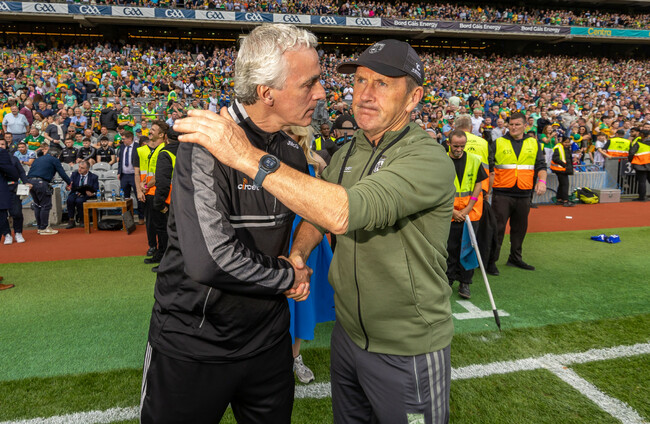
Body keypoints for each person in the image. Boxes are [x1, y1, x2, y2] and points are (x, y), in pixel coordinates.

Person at [175, 38, 456, 424]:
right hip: (348, 336)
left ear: (413, 98)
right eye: (360, 81)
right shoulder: (351, 150)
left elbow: (340, 212)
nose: (365, 94)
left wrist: (244, 154)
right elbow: (317, 216)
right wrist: (299, 254)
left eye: (382, 83)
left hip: (407, 345)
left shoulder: (426, 158)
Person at [140, 24, 317, 424]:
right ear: (266, 92)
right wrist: (288, 276)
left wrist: (298, 253)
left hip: (269, 342)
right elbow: (210, 261)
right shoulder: (203, 145)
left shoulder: (291, 151)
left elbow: (315, 211)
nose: (321, 93)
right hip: (194, 344)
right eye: (309, 83)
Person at [284, 125, 333, 384]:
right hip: (276, 237)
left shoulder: (312, 162)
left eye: (291, 132)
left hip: (306, 237)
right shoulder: (263, 158)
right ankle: (275, 357)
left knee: (302, 299)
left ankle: (295, 357)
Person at [487, 112, 547, 274]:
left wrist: (542, 181)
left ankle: (515, 258)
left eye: (517, 124)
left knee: (520, 229)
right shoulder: (498, 142)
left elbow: (541, 166)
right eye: (511, 124)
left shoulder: (534, 143)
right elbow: (489, 166)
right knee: (497, 229)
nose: (513, 127)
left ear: (525, 126)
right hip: (502, 193)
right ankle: (490, 261)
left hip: (524, 193)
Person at [446, 130, 488, 299]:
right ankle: (448, 280)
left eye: (462, 146)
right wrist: (453, 211)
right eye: (456, 146)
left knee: (468, 248)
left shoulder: (474, 159)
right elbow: (435, 189)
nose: (459, 149)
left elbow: (478, 184)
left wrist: (468, 207)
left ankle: (465, 282)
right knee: (449, 249)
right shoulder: (441, 161)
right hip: (449, 213)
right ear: (449, 143)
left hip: (470, 214)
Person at [148, 128, 179, 269]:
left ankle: (167, 264)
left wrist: (159, 203)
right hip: (187, 199)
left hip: (170, 200)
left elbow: (163, 182)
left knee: (167, 232)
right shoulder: (189, 151)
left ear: (166, 137)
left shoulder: (165, 153)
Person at [26, 149, 71, 235]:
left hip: (30, 182)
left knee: (37, 205)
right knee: (45, 205)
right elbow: (62, 173)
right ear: (56, 155)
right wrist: (69, 183)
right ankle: (44, 227)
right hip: (41, 182)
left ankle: (40, 227)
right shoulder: (54, 160)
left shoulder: (38, 159)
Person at [142, 120, 168, 265]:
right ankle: (160, 254)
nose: (150, 131)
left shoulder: (162, 150)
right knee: (157, 227)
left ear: (161, 134)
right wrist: (144, 184)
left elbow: (159, 176)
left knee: (161, 228)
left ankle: (163, 257)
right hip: (151, 193)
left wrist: (145, 185)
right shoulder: (156, 150)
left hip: (157, 194)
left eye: (153, 129)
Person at [117, 131, 144, 224]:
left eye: (124, 139)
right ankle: (128, 219)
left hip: (135, 175)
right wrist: (119, 172)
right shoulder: (122, 147)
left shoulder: (137, 147)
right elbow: (120, 161)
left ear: (130, 138)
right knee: (125, 198)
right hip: (124, 175)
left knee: (139, 197)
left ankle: (141, 217)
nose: (122, 140)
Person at [65, 160, 99, 228]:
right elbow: (69, 185)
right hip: (75, 193)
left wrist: (92, 193)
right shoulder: (74, 174)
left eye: (82, 168)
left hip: (86, 194)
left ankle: (82, 219)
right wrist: (68, 187)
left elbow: (96, 189)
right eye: (79, 167)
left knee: (79, 201)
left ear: (87, 169)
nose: (79, 169)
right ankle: (71, 219)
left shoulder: (94, 177)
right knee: (70, 200)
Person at [0, 137, 21, 245]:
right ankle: (7, 234)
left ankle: (17, 232)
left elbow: (18, 173)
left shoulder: (11, 158)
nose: (1, 146)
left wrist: (26, 182)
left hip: (10, 188)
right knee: (2, 215)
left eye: (2, 144)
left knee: (16, 212)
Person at [551, 136, 575, 207]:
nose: (567, 144)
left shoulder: (566, 148)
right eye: (565, 142)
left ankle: (559, 199)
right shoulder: (558, 148)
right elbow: (555, 158)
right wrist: (564, 165)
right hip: (560, 169)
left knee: (562, 184)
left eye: (568, 142)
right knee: (565, 184)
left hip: (563, 169)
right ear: (562, 142)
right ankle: (565, 200)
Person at [628, 129, 650, 201]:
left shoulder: (638, 143)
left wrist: (631, 160)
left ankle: (642, 197)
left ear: (642, 135)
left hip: (640, 164)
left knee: (642, 182)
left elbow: (631, 153)